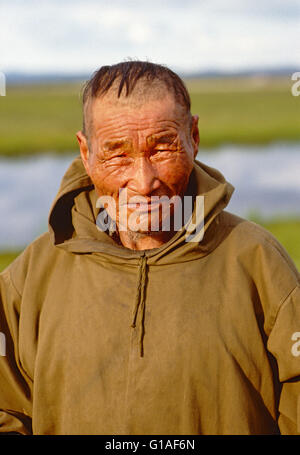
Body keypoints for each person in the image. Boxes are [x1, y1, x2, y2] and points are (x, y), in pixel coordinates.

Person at [0, 61, 299, 435]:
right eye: (117, 153)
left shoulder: (257, 261)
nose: (143, 182)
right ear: (85, 151)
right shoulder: (30, 278)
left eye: (162, 148)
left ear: (193, 138)